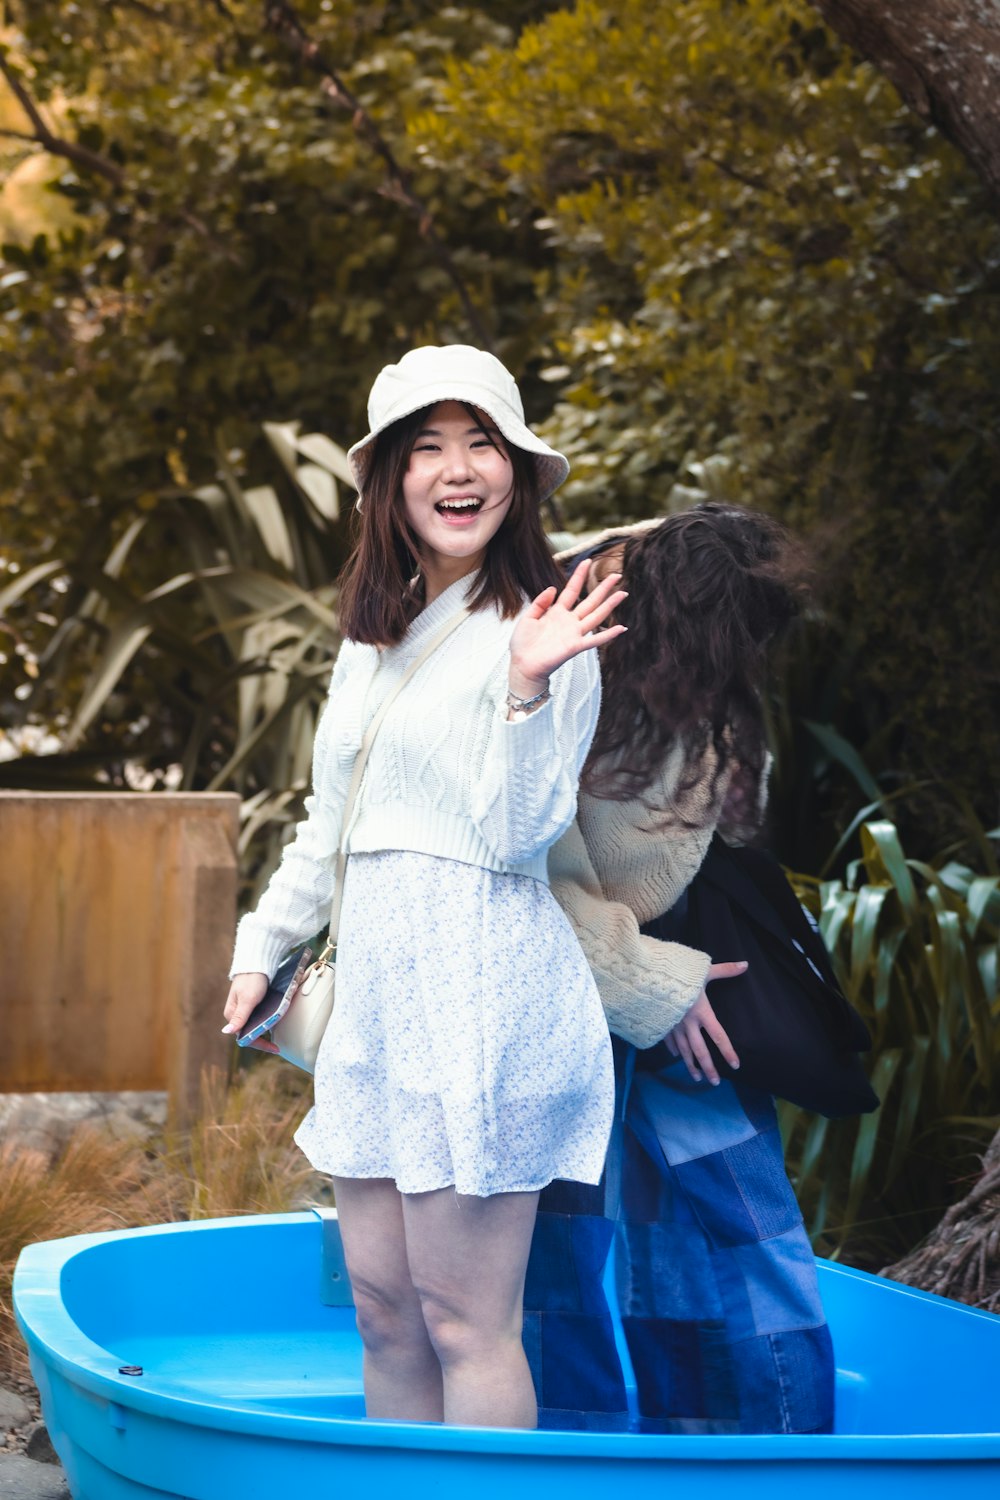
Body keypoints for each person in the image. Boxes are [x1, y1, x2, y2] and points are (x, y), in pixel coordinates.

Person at [221, 344, 625, 1430]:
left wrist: (530, 688)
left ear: (518, 471)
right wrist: (263, 946)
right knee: (385, 1314)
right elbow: (331, 822)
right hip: (384, 1005)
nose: (458, 468)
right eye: (429, 446)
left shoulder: (550, 629)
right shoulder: (375, 637)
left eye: (480, 442)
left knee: (464, 1321)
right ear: (391, 480)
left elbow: (518, 836)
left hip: (483, 996)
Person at [524, 503, 835, 1434]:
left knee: (727, 1235)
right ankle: (570, 1466)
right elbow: (527, 861)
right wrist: (650, 984)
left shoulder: (695, 616)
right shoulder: (560, 644)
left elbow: (714, 819)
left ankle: (766, 1457)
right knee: (564, 1251)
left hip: (691, 976)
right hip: (584, 985)